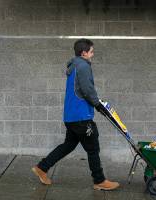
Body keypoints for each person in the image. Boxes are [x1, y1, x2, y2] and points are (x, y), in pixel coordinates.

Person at [32, 38, 120, 191]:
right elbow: (87, 90)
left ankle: (42, 167)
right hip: (81, 117)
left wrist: (96, 104)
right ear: (84, 53)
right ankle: (99, 180)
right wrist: (97, 104)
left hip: (70, 117)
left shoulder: (73, 66)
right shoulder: (83, 66)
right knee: (93, 148)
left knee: (68, 145)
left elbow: (80, 90)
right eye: (91, 51)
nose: (93, 54)